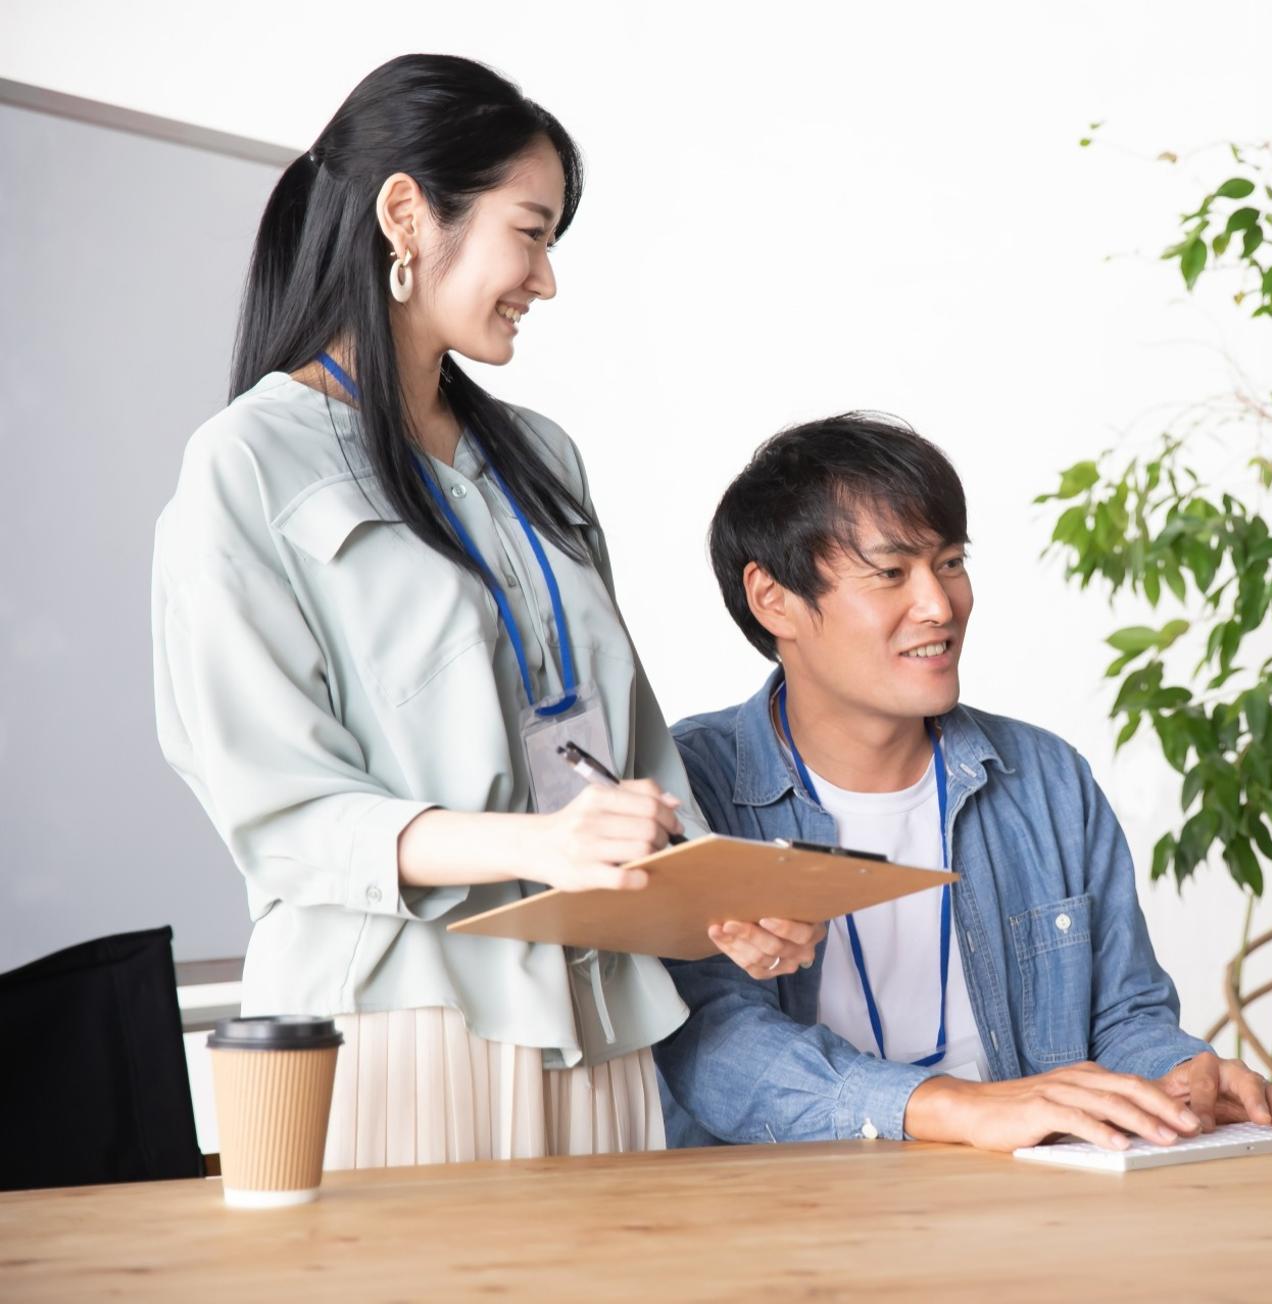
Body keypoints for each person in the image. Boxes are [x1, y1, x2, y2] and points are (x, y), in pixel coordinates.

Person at [151, 54, 819, 1170]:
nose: (545, 280)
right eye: (531, 233)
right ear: (407, 215)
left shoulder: (542, 458)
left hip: (594, 1010)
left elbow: (623, 757)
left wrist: (716, 897)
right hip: (399, 1015)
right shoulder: (246, 463)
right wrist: (539, 846)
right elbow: (278, 810)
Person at [656, 414, 1272, 1152]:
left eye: (949, 563)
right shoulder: (687, 782)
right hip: (788, 1203)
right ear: (772, 597)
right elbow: (709, 1041)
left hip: (1027, 1194)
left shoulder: (1045, 778)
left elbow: (1124, 1015)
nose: (939, 606)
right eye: (891, 573)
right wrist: (956, 1107)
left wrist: (1178, 1072)